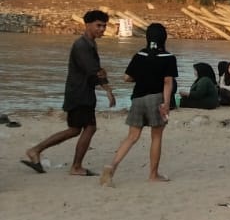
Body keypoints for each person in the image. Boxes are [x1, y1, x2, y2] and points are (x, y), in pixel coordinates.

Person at [22, 10, 115, 176]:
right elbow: (94, 71)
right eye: (98, 25)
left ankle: (35, 150)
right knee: (90, 128)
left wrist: (103, 79)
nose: (102, 29)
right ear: (87, 25)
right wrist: (107, 88)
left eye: (104, 26)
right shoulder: (82, 46)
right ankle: (76, 166)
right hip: (79, 94)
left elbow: (95, 72)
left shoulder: (90, 44)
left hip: (80, 92)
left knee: (74, 129)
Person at [101, 23, 177, 187]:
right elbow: (167, 82)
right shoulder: (168, 57)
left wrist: (142, 78)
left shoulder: (139, 55)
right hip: (156, 98)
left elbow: (127, 78)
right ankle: (153, 174)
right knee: (156, 137)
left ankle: (112, 166)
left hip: (137, 98)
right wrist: (166, 103)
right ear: (164, 37)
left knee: (132, 137)